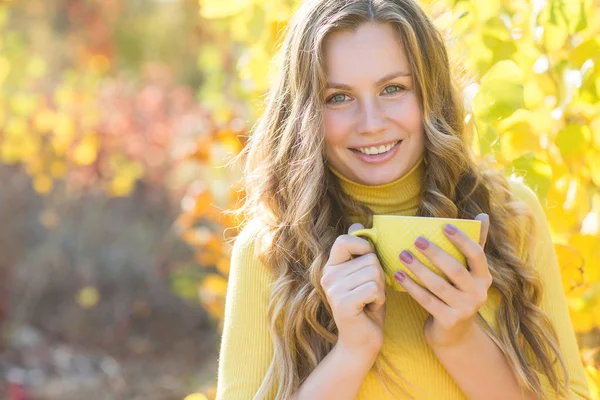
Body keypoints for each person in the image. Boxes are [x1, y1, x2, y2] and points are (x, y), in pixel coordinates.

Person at [215, 0, 593, 399]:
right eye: (338, 97)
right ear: (305, 111)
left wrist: (460, 339)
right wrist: (351, 353)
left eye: (393, 89)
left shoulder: (509, 214)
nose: (372, 123)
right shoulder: (270, 249)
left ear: (431, 92)